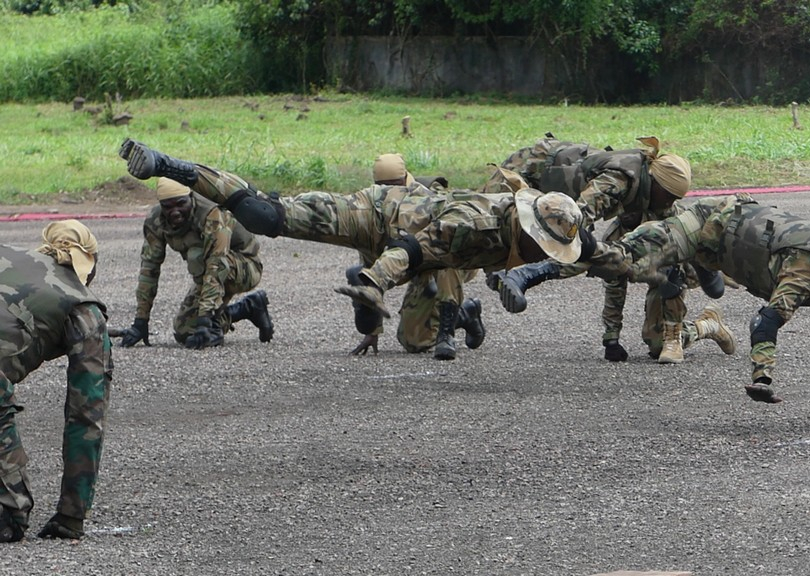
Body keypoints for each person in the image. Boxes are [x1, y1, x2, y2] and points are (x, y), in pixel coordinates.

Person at [116, 139, 588, 349]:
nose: (542, 254)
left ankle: (463, 315)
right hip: (376, 219)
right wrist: (372, 283)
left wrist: (615, 262)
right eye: (540, 248)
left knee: (415, 342)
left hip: (422, 258)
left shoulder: (539, 226)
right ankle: (171, 165)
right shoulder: (472, 224)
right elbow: (409, 251)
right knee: (263, 215)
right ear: (526, 228)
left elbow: (594, 253)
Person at [581, 193, 810, 403]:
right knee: (626, 260)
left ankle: (704, 301)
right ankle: (569, 248)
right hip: (708, 223)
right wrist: (762, 378)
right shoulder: (808, 270)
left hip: (719, 252)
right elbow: (764, 322)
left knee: (658, 313)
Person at [485, 134, 726, 363]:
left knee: (656, 343)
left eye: (675, 198)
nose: (670, 203)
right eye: (668, 196)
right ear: (654, 183)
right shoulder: (614, 183)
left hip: (564, 204)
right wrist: (535, 271)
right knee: (494, 238)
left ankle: (708, 325)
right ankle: (523, 275)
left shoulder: (657, 200)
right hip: (524, 172)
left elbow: (628, 257)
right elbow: (574, 226)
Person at [1, 220, 112, 542]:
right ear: (90, 263)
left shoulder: (8, 253)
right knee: (8, 520)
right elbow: (86, 416)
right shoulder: (84, 309)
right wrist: (71, 515)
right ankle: (10, 512)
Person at [348, 153, 486, 360]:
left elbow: (454, 242)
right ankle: (466, 314)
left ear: (405, 179)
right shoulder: (375, 209)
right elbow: (371, 268)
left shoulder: (430, 197)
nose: (391, 192)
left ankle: (447, 328)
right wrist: (372, 331)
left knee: (445, 258)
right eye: (384, 187)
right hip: (417, 266)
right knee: (414, 342)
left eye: (395, 186)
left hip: (453, 262)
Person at [117, 178, 274, 350]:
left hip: (245, 267)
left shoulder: (211, 214)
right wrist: (140, 321)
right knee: (184, 331)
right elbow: (149, 269)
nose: (175, 212)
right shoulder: (156, 220)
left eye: (181, 204)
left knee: (197, 258)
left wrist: (205, 319)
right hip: (209, 272)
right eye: (168, 207)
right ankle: (249, 307)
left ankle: (214, 325)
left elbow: (217, 264)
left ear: (191, 197)